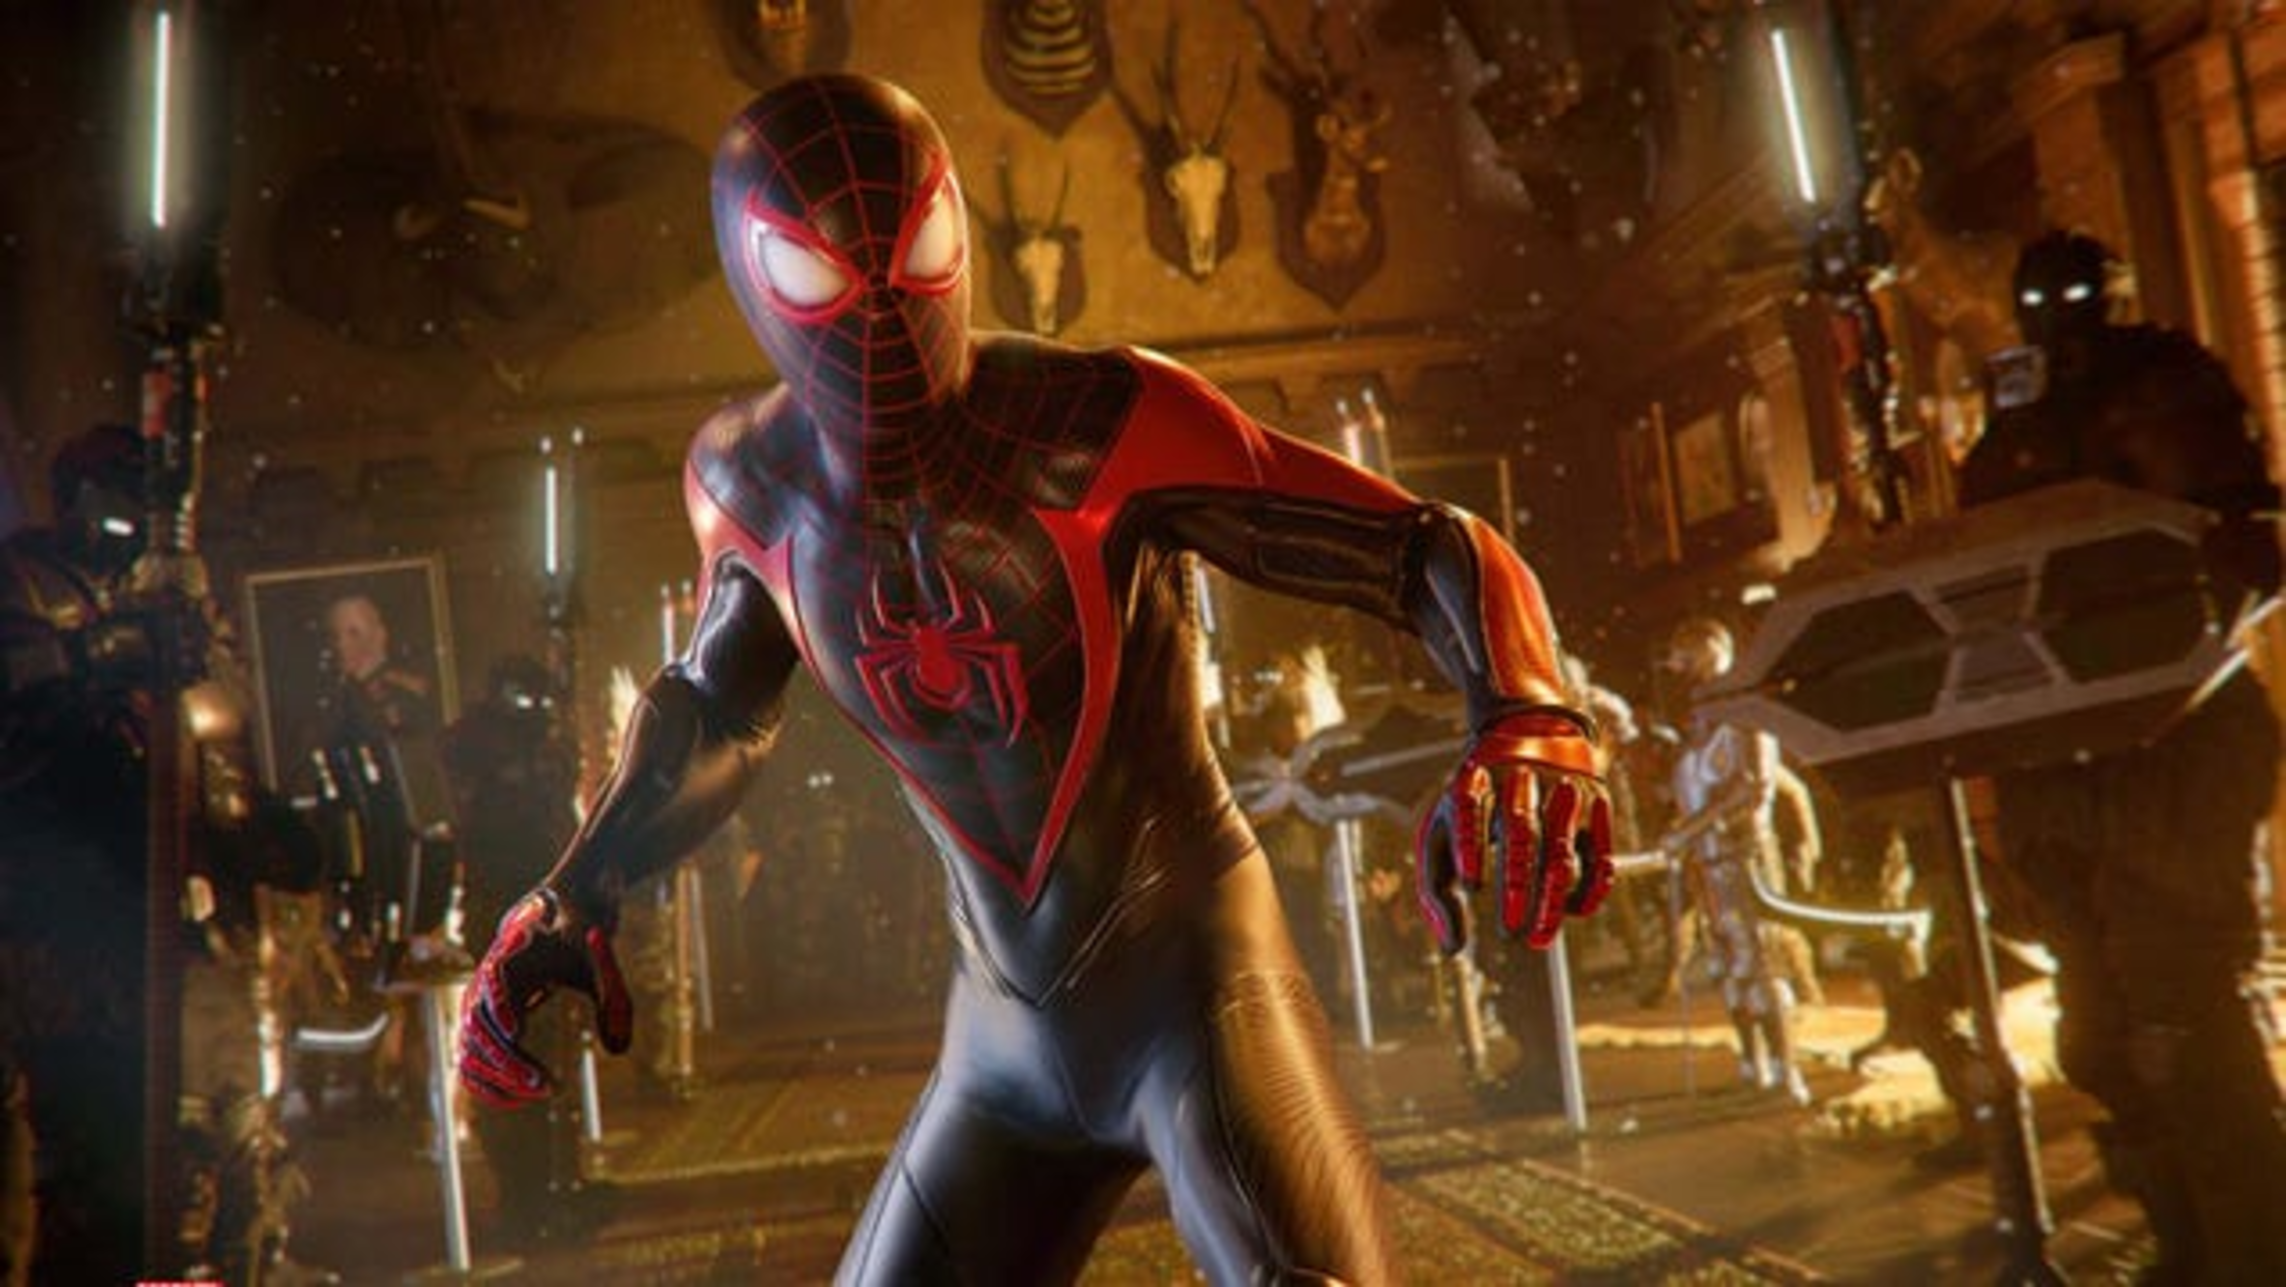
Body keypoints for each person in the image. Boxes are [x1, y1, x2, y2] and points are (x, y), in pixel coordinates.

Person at [457, 73, 1614, 1283]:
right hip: (1003, 1040)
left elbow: (1418, 543)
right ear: (756, 280)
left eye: (915, 250)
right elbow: (718, 708)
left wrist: (1528, 707)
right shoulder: (750, 482)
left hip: (1199, 988)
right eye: (825, 271)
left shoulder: (1098, 419)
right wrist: (577, 885)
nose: (887, 308)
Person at [1958, 228, 2286, 1282]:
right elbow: (1982, 552)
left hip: (2170, 743)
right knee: (2098, 1039)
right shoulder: (2018, 416)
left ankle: (2255, 1254)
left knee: (2186, 1021)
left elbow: (2238, 545)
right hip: (2063, 758)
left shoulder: (2163, 380)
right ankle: (2190, 1244)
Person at [1659, 616, 1814, 1105]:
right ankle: (1754, 1066)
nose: (1683, 667)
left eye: (1688, 654)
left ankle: (1788, 1071)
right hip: (1706, 864)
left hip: (1744, 857)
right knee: (1729, 967)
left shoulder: (1746, 714)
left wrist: (1690, 828)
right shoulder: (1699, 726)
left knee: (1762, 963)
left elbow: (1754, 786)